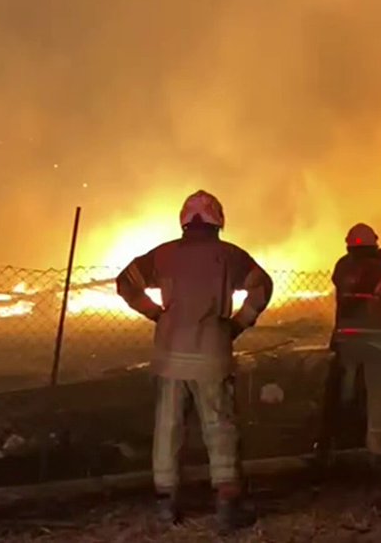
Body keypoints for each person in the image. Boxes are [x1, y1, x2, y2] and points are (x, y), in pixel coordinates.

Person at [115, 190, 274, 533]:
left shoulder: (163, 255)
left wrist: (156, 314)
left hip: (170, 356)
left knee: (168, 427)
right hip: (212, 356)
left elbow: (126, 282)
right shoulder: (231, 256)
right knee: (219, 427)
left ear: (184, 221)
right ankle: (227, 507)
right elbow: (262, 287)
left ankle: (166, 505)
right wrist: (238, 323)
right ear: (218, 220)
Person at [318, 223, 381, 468]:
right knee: (379, 394)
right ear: (374, 244)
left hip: (346, 338)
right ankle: (378, 452)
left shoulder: (342, 267)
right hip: (378, 341)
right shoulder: (380, 270)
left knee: (342, 392)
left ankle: (333, 446)